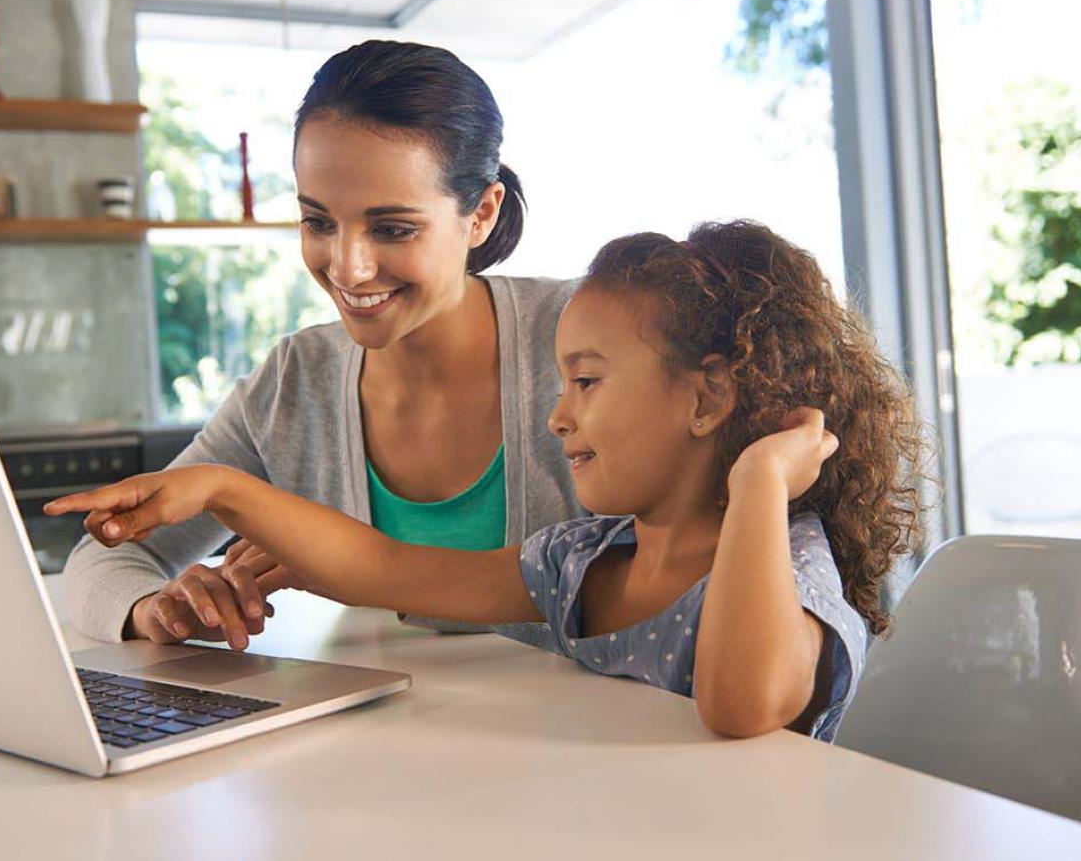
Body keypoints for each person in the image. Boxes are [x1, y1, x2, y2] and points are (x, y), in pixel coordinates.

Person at [47, 220, 929, 740]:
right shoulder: (583, 561)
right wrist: (220, 491)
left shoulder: (789, 572)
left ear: (706, 399)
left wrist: (764, 485)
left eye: (585, 381)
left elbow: (741, 707)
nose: (557, 416)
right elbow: (387, 569)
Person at [59, 39, 585, 647]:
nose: (348, 267)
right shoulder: (294, 381)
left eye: (392, 228)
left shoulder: (585, 339)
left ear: (482, 214)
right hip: (388, 729)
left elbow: (669, 568)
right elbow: (105, 557)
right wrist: (154, 608)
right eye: (318, 222)